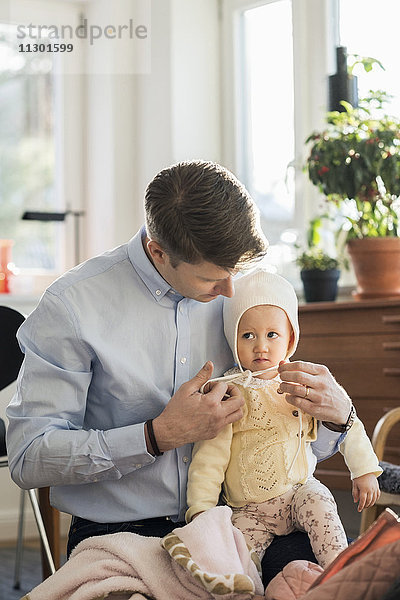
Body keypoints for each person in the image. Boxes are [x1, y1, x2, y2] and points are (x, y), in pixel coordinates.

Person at [6, 160, 354, 574]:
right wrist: (156, 435)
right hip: (124, 531)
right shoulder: (72, 307)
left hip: (247, 520)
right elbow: (28, 457)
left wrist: (336, 417)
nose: (230, 291)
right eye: (212, 280)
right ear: (158, 252)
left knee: (332, 583)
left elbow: (287, 437)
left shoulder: (249, 298)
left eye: (235, 273)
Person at [186, 269, 382, 567]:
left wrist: (364, 470)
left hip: (300, 492)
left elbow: (348, 423)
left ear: (290, 340)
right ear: (232, 339)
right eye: (248, 335)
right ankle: (240, 588)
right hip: (249, 510)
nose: (260, 346)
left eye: (272, 335)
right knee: (232, 557)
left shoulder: (302, 383)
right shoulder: (229, 393)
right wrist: (201, 511)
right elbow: (209, 459)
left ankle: (338, 572)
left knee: (322, 508)